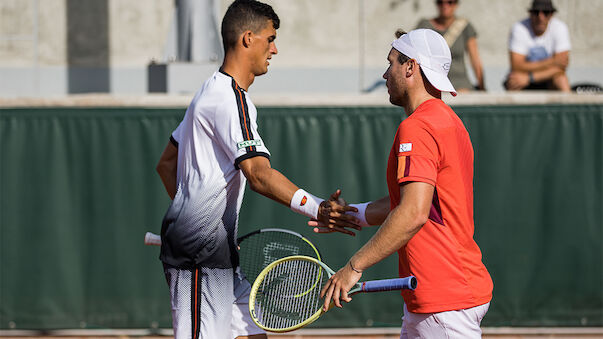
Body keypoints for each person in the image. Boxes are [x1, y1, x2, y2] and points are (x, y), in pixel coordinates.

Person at [155, 1, 358, 338]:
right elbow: (259, 174)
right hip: (199, 256)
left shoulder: (208, 92)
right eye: (270, 39)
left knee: (253, 334)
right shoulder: (228, 98)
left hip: (215, 251)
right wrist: (318, 208)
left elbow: (166, 165)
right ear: (248, 38)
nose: (274, 49)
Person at [313, 29, 493, 338]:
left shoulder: (419, 127)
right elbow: (414, 202)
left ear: (410, 67)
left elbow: (413, 212)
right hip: (437, 296)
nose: (385, 73)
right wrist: (352, 213)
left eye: (391, 63)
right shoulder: (449, 121)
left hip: (444, 300)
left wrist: (353, 267)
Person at [414, 0, 485, 92]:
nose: (445, 5)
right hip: (433, 82)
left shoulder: (465, 26)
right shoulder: (424, 25)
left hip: (460, 84)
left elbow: (475, 60)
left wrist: (482, 87)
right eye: (440, 2)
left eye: (450, 2)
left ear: (456, 5)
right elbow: (415, 55)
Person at [504, 0, 571, 91]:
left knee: (561, 79)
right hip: (523, 77)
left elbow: (561, 68)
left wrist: (530, 78)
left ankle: (567, 105)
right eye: (536, 12)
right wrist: (553, 61)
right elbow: (516, 66)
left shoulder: (560, 28)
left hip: (544, 79)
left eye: (546, 12)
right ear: (530, 14)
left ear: (551, 15)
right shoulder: (519, 28)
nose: (541, 17)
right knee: (514, 81)